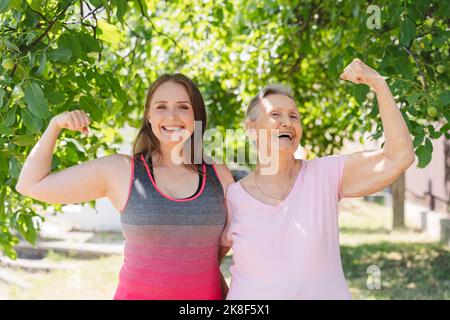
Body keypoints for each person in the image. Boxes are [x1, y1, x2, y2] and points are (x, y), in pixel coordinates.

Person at [16, 73, 234, 300]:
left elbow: (225, 249)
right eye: (161, 107)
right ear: (148, 116)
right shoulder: (121, 171)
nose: (172, 116)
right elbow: (31, 184)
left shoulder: (218, 175)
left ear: (196, 115)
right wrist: (55, 125)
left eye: (183, 107)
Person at [220, 58, 415, 299]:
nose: (287, 122)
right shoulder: (232, 197)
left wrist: (378, 84)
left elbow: (399, 157)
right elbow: (206, 266)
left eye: (294, 116)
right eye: (275, 114)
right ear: (251, 129)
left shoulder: (326, 175)